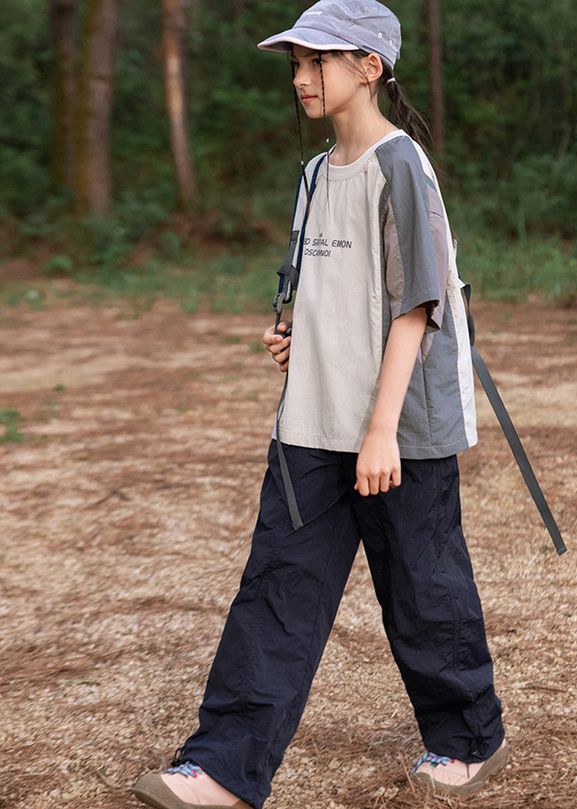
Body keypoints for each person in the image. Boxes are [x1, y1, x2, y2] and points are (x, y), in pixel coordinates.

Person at [132, 2, 509, 808]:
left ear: (370, 67)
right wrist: (298, 337)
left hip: (398, 428)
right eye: (296, 64)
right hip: (312, 419)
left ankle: (468, 738)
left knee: (423, 588)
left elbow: (416, 307)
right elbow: (335, 288)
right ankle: (224, 767)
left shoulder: (400, 165)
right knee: (277, 586)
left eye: (318, 61)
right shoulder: (312, 174)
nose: (301, 78)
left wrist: (381, 431)